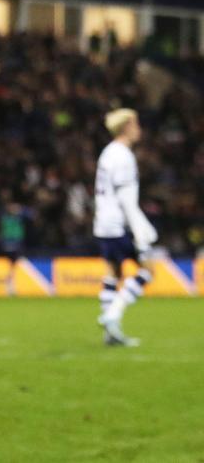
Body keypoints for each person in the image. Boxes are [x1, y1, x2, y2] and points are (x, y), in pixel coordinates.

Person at [94, 108, 156, 347]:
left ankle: (111, 334)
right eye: (136, 124)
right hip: (119, 223)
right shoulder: (123, 156)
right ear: (127, 127)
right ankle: (112, 315)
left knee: (113, 273)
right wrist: (141, 230)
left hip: (103, 222)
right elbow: (126, 200)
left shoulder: (108, 153)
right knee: (148, 270)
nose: (139, 129)